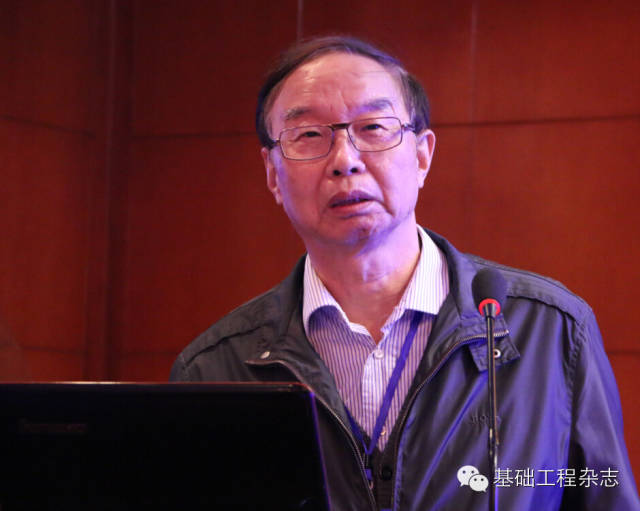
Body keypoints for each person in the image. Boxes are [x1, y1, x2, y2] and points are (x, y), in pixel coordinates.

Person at [170, 36, 640, 510]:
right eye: (308, 135)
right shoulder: (215, 370)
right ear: (273, 173)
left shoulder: (551, 330)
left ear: (421, 155)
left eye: (374, 127)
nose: (345, 161)